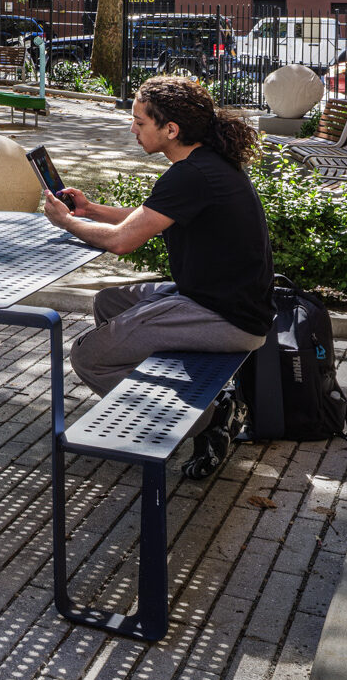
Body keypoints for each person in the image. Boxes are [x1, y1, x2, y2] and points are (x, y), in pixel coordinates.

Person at [41, 74, 274, 479]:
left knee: (88, 356)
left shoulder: (192, 175)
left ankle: (213, 417)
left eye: (139, 122)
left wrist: (65, 223)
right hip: (211, 298)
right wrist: (89, 210)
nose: (132, 129)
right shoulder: (202, 164)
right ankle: (156, 382)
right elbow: (143, 221)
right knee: (107, 304)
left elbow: (121, 242)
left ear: (171, 129)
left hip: (227, 317)